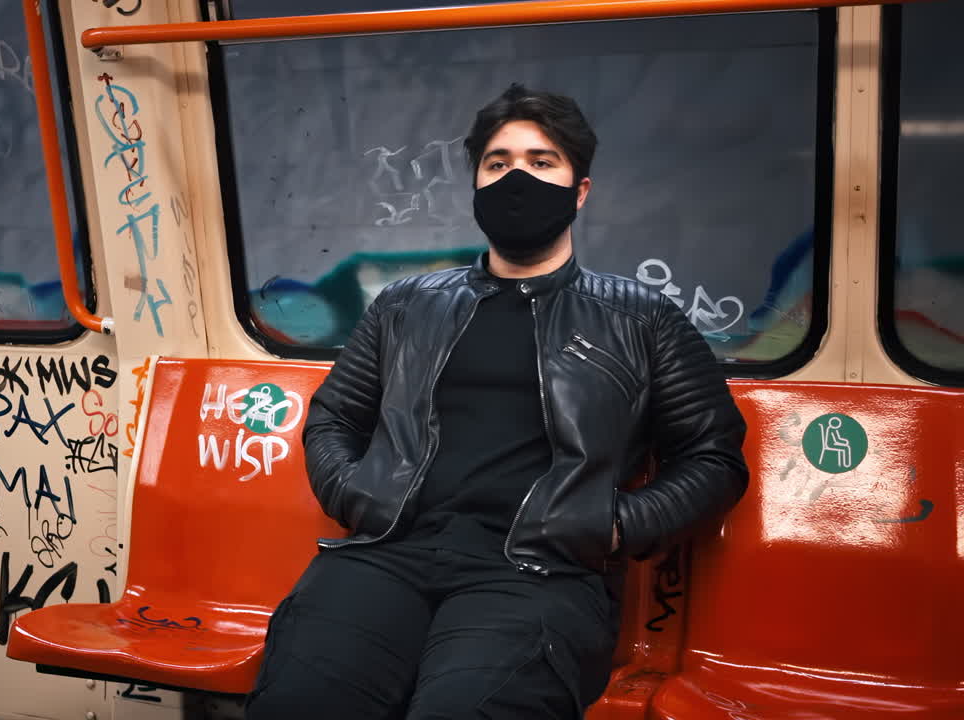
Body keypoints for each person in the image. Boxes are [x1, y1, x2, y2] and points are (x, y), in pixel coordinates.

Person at [244, 84, 749, 720]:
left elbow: (713, 458)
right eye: (498, 162)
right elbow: (335, 417)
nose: (518, 178)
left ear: (580, 190)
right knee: (301, 703)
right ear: (477, 186)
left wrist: (615, 526)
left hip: (540, 573)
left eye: (542, 163)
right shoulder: (406, 304)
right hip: (387, 555)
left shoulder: (641, 318)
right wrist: (356, 494)